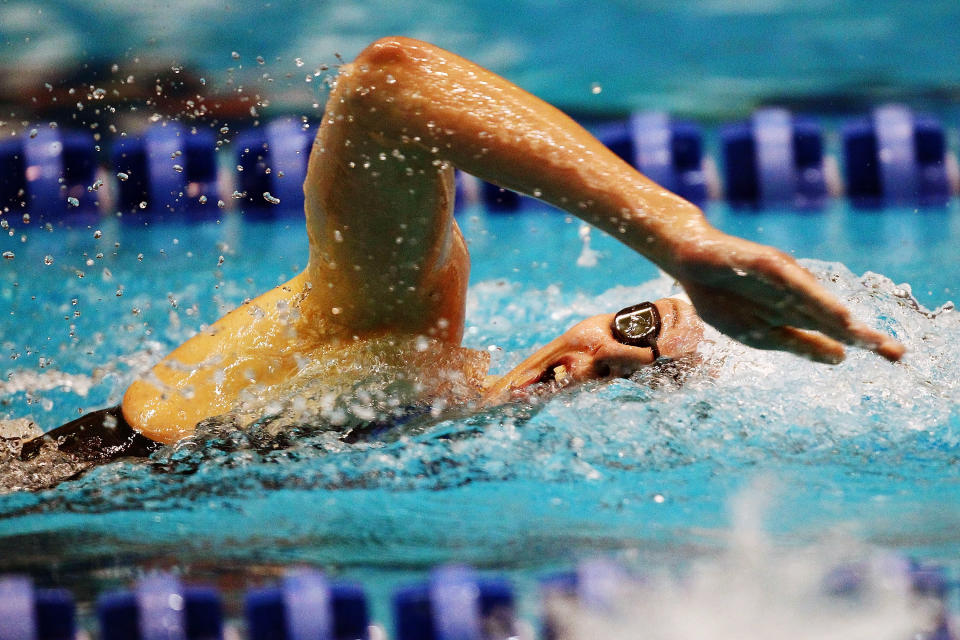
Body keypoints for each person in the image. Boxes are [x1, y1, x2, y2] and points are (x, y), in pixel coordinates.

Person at [20, 37, 904, 462]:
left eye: (647, 385)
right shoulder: (400, 338)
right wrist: (681, 234)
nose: (605, 368)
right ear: (598, 310)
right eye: (638, 328)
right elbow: (388, 85)